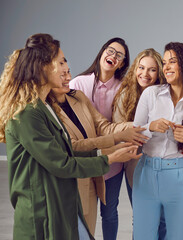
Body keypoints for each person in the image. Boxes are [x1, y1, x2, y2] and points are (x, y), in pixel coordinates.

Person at [0, 33, 141, 240]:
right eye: (61, 61)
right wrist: (110, 158)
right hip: (42, 211)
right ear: (44, 67)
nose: (67, 68)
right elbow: (63, 163)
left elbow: (71, 148)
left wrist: (123, 139)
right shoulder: (26, 114)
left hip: (61, 203)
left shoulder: (45, 108)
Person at [49, 65, 148, 235]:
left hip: (90, 181)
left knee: (88, 232)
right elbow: (72, 146)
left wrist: (138, 126)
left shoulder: (77, 97)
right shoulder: (46, 110)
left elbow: (103, 126)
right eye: (62, 75)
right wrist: (115, 143)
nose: (68, 78)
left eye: (68, 73)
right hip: (67, 182)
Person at [132, 42, 183, 240]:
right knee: (143, 237)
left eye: (172, 62)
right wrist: (151, 127)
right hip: (146, 174)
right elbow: (134, 134)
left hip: (180, 178)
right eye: (164, 62)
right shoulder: (151, 94)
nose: (166, 67)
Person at [69, 37, 131, 240]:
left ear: (121, 63)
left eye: (119, 55)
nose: (113, 56)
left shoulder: (123, 89)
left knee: (109, 212)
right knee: (85, 212)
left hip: (112, 163)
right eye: (110, 50)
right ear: (102, 52)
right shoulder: (78, 83)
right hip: (85, 159)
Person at [112, 48, 167, 239]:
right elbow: (120, 130)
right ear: (135, 68)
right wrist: (148, 127)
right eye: (141, 68)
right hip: (135, 164)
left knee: (163, 219)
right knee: (143, 217)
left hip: (162, 163)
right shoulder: (125, 95)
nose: (145, 74)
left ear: (159, 72)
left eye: (152, 70)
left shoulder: (166, 95)